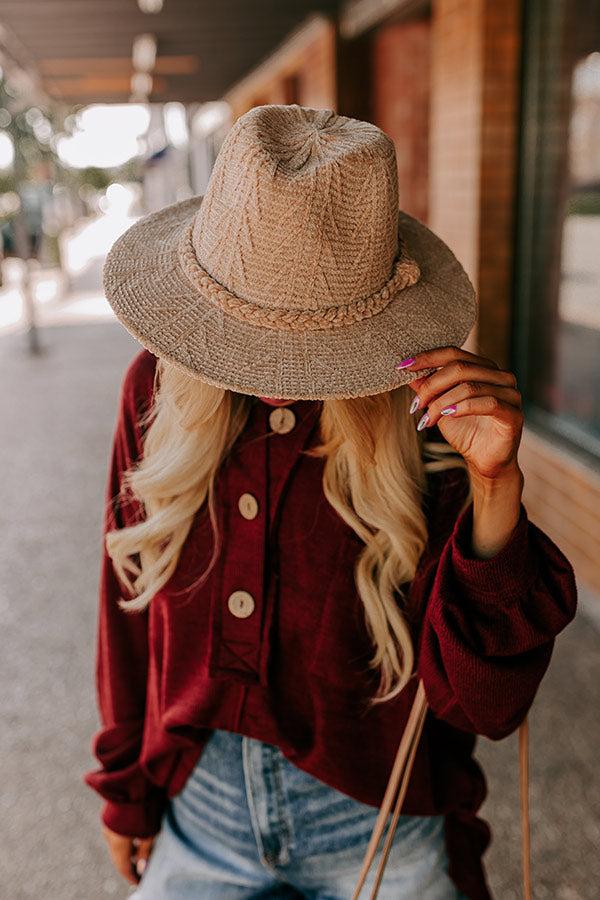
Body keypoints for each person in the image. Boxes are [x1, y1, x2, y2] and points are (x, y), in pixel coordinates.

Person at [83, 104, 577, 899]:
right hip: (200, 814)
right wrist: (123, 791)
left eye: (306, 334)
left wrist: (494, 487)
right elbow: (124, 608)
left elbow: (487, 707)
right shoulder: (156, 387)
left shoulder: (431, 425)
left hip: (382, 826)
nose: (277, 365)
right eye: (257, 330)